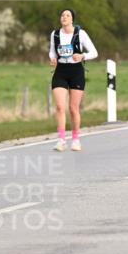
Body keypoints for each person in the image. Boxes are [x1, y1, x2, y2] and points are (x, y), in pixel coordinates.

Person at [48, 9, 98, 151]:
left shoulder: (80, 34)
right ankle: (61, 139)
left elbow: (94, 52)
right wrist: (52, 58)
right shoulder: (55, 34)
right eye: (62, 15)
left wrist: (82, 56)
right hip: (60, 71)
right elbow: (52, 50)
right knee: (59, 106)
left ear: (72, 19)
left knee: (73, 108)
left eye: (67, 15)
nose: (64, 17)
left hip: (76, 71)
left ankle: (75, 139)